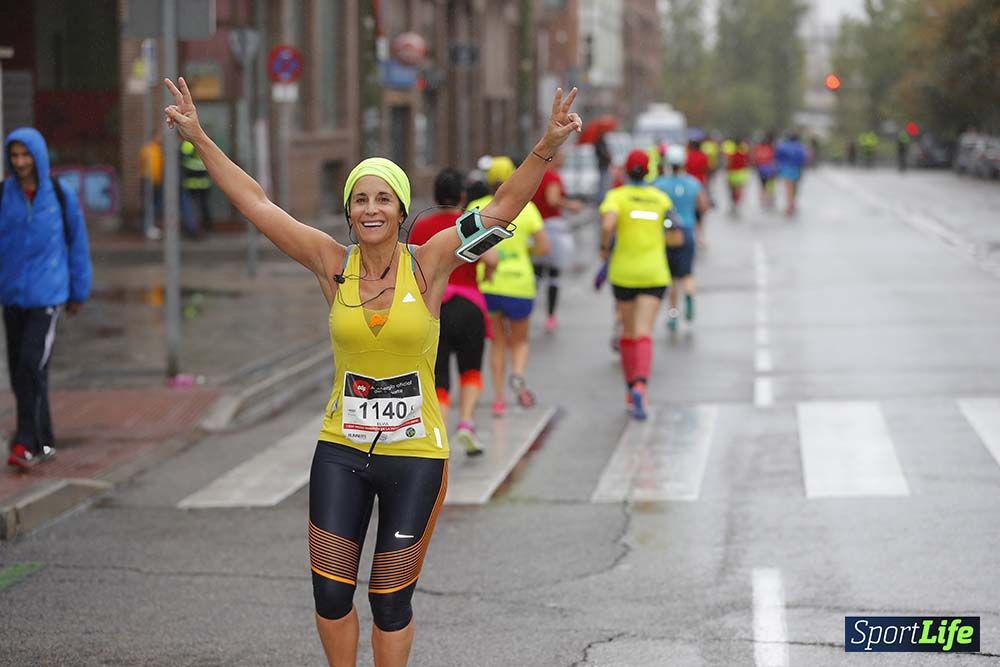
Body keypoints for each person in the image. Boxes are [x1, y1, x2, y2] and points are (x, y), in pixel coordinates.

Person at [163, 76, 581, 667]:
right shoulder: (330, 264)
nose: (371, 209)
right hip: (341, 451)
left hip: (415, 456)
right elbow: (256, 204)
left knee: (389, 598)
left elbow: (504, 206)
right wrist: (200, 136)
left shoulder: (432, 262)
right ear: (349, 211)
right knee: (331, 593)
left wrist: (546, 146)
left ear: (403, 210)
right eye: (361, 199)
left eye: (384, 199)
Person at [2, 128, 92, 470]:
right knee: (22, 373)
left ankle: (24, 442)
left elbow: (77, 242)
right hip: (12, 297)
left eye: (26, 155)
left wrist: (79, 290)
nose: (20, 162)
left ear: (38, 156)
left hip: (48, 297)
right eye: (14, 155)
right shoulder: (4, 195)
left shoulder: (59, 194)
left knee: (30, 364)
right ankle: (44, 438)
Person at [408, 168, 496, 456]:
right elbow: (491, 257)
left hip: (433, 308)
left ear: (435, 195)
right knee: (470, 368)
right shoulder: (468, 224)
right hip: (470, 306)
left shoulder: (420, 226)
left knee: (438, 374)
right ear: (462, 196)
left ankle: (439, 431)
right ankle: (467, 423)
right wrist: (486, 273)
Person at [470, 156, 550, 417]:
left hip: (487, 285)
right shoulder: (527, 210)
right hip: (520, 285)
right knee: (520, 340)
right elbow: (543, 247)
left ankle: (499, 400)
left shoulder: (475, 207)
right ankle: (516, 374)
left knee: (497, 343)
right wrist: (524, 249)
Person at [599, 149, 675, 421]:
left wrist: (604, 247)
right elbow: (675, 233)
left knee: (628, 331)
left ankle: (630, 388)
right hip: (654, 273)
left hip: (624, 273)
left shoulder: (616, 197)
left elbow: (608, 224)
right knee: (644, 331)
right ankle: (642, 384)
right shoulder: (660, 199)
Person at [653, 145, 709, 333]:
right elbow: (703, 205)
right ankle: (690, 297)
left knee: (671, 278)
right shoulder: (693, 183)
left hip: (668, 234)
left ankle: (673, 314)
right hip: (687, 231)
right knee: (687, 274)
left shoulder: (660, 184)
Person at [530, 149, 584, 332]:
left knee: (536, 273)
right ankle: (550, 316)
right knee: (553, 274)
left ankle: (525, 312)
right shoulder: (552, 177)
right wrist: (571, 205)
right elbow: (552, 199)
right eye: (561, 156)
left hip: (534, 226)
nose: (564, 159)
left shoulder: (535, 176)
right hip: (551, 228)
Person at [180, 138, 212, 236]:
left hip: (192, 182)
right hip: (203, 182)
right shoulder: (204, 142)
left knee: (192, 207)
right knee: (202, 206)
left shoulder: (187, 145)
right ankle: (204, 227)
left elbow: (184, 161)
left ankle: (195, 228)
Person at [138, 129, 164, 239]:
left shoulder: (158, 149)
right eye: (158, 136)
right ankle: (147, 227)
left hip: (156, 181)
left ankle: (150, 225)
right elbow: (144, 165)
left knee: (156, 205)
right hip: (148, 180)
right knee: (149, 205)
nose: (160, 139)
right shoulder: (147, 149)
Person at [775, 132, 807, 217]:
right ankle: (792, 204)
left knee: (788, 189)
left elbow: (777, 157)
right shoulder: (800, 147)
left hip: (786, 169)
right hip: (796, 169)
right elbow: (804, 158)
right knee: (795, 188)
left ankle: (789, 206)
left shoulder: (782, 146)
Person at [750, 133, 777, 210]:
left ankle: (763, 200)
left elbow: (754, 159)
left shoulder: (758, 148)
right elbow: (773, 160)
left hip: (761, 170)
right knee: (769, 185)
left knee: (763, 186)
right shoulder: (771, 149)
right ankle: (768, 199)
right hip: (769, 170)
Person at [725, 138, 750, 217]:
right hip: (739, 175)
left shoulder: (731, 154)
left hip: (733, 175)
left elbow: (728, 164)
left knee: (733, 192)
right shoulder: (743, 154)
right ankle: (736, 205)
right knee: (738, 192)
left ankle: (735, 205)